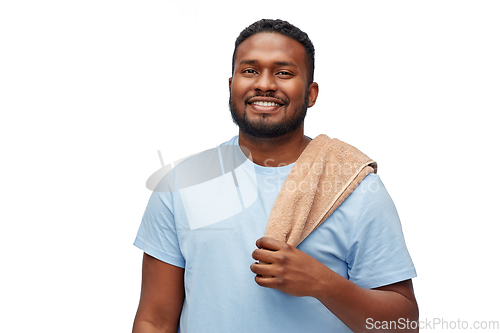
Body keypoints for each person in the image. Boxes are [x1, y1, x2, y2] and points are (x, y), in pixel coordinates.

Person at [132, 19, 418, 333]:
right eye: (250, 70)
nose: (265, 84)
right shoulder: (182, 184)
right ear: (231, 86)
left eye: (283, 72)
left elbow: (403, 324)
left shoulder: (355, 188)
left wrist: (324, 284)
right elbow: (155, 320)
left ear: (311, 93)